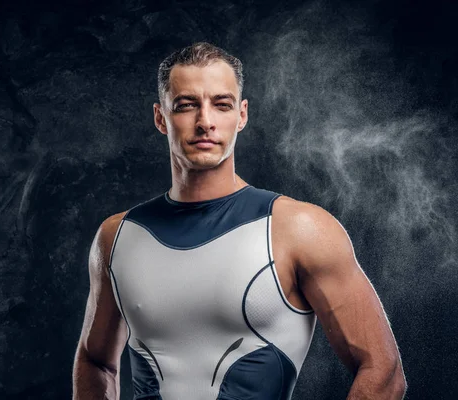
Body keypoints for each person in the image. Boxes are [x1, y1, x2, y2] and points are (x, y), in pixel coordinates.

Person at [72, 42, 406, 400]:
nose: (205, 122)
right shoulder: (117, 237)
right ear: (160, 118)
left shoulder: (298, 230)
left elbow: (383, 372)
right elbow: (95, 362)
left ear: (242, 115)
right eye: (186, 106)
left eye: (221, 104)